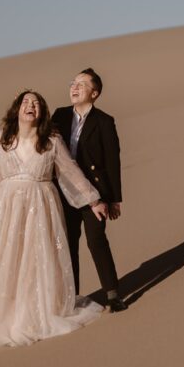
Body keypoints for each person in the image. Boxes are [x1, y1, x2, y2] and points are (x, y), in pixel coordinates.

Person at [0, 89, 110, 350]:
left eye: (36, 103)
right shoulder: (4, 138)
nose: (31, 106)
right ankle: (3, 317)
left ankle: (35, 312)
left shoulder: (51, 140)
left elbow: (70, 172)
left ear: (42, 113)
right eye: (26, 102)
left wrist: (93, 199)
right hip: (8, 211)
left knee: (37, 259)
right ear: (17, 110)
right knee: (9, 260)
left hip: (41, 206)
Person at [52, 68, 128, 312]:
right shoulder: (60, 115)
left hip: (95, 195)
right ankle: (72, 298)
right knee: (69, 243)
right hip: (66, 192)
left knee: (96, 241)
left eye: (81, 84)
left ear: (94, 93)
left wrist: (114, 199)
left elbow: (112, 161)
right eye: (73, 83)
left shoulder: (104, 121)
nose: (74, 87)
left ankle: (113, 294)